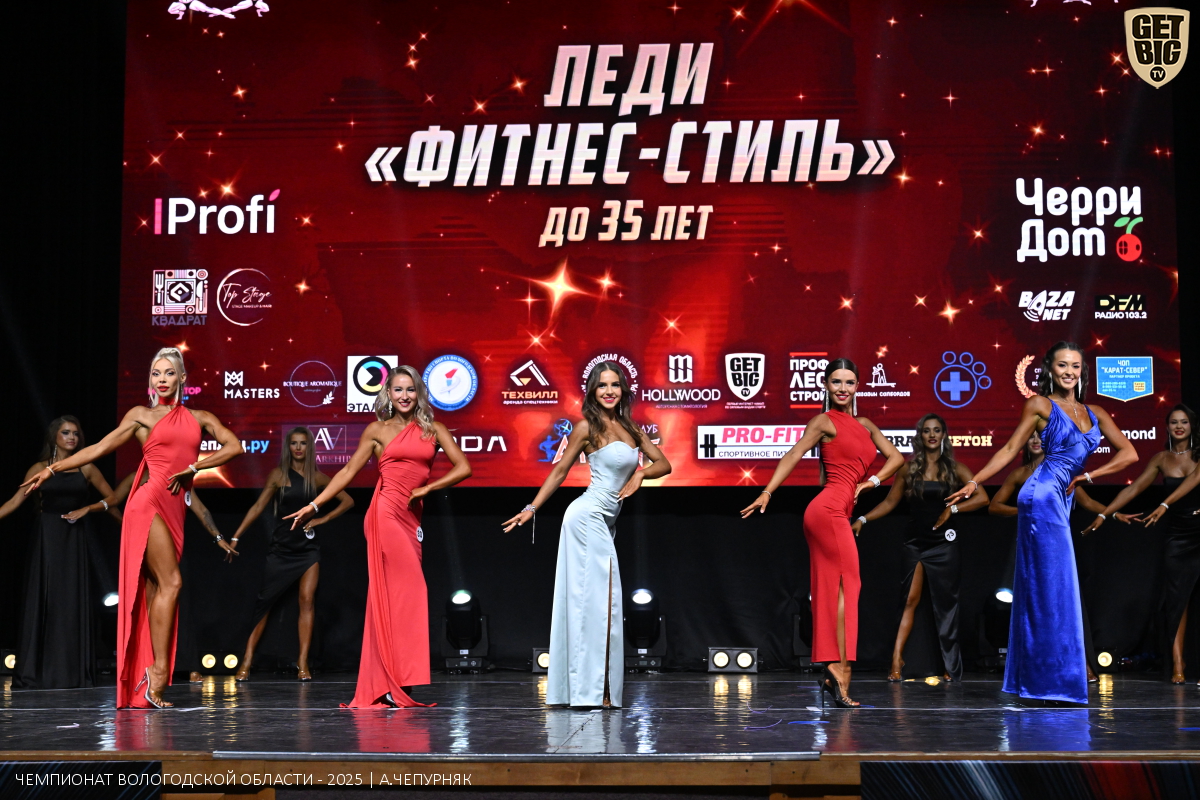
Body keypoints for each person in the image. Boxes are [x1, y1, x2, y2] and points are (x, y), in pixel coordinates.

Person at [20, 348, 243, 708]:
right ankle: (158, 671)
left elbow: (235, 446)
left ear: (182, 378)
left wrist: (195, 468)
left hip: (175, 510)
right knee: (172, 583)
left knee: (156, 591)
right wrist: (52, 469)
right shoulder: (141, 415)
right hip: (148, 501)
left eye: (168, 373)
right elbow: (101, 447)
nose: (161, 379)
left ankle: (147, 676)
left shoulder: (200, 417)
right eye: (156, 373)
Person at [946, 341, 1137, 705]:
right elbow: (1008, 449)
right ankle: (1051, 679)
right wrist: (975, 481)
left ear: (1082, 371)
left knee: (1057, 587)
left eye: (1075, 366)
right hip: (1042, 494)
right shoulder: (1039, 405)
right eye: (1063, 365)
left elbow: (1130, 454)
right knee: (1050, 587)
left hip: (1061, 497)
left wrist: (1088, 476)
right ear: (1050, 369)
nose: (1069, 372)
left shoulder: (1094, 412)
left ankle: (1047, 676)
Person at [288, 366, 471, 708]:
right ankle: (396, 679)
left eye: (410, 390)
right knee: (411, 590)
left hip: (411, 517)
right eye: (398, 390)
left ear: (419, 394)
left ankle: (395, 678)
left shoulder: (434, 430)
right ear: (388, 394)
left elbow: (464, 467)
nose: (404, 396)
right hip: (385, 513)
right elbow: (347, 471)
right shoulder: (377, 430)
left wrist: (428, 488)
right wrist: (314, 504)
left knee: (400, 597)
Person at [503, 361, 671, 709]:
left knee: (603, 606)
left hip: (605, 521)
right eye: (602, 385)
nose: (609, 391)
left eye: (615, 385)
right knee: (601, 604)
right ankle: (595, 690)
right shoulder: (586, 427)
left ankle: (596, 689)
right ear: (592, 391)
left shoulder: (630, 427)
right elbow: (559, 472)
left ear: (623, 390)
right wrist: (531, 508)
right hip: (586, 517)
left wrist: (640, 475)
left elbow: (664, 464)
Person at [741, 358, 904, 707]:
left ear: (857, 386)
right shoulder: (823, 421)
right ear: (826, 386)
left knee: (839, 590)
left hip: (838, 511)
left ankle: (835, 666)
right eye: (836, 382)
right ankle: (839, 667)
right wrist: (768, 491)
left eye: (849, 382)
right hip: (827, 511)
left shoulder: (865, 424)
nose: (843, 388)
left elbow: (896, 458)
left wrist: (870, 483)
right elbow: (794, 453)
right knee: (847, 586)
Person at [852, 414, 988, 683]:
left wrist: (953, 509)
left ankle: (949, 664)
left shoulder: (956, 468)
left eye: (937, 430)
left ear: (944, 435)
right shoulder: (908, 469)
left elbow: (983, 498)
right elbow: (889, 503)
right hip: (915, 543)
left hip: (944, 544)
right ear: (920, 436)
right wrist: (863, 519)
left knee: (946, 605)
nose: (932, 435)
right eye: (927, 431)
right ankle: (896, 659)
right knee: (909, 601)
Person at [1082, 404, 1200, 684]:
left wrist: (1164, 504)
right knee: (1177, 601)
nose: (1179, 427)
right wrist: (1104, 513)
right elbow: (1134, 488)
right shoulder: (1161, 459)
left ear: (1192, 426)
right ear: (1167, 427)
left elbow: (1195, 479)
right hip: (1178, 535)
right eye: (1174, 422)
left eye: (1184, 422)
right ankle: (1178, 663)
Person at [0, 417, 118, 689]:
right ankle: (40, 672)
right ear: (54, 436)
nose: (72, 437)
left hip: (74, 538)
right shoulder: (39, 468)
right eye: (66, 433)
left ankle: (70, 673)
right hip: (48, 537)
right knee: (47, 598)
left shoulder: (86, 467)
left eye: (75, 433)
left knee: (71, 602)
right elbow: (15, 501)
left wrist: (88, 509)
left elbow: (112, 498)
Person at [230, 427, 354, 681]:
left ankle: (302, 663)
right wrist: (236, 536)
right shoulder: (278, 475)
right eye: (294, 443)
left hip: (308, 550)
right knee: (264, 603)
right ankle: (247, 661)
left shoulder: (317, 478)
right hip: (281, 549)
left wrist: (321, 519)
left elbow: (348, 501)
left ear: (310, 448)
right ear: (288, 447)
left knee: (307, 602)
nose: (298, 448)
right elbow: (258, 506)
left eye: (303, 443)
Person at [990, 429, 1107, 683]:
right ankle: (1038, 668)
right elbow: (994, 506)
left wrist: (1114, 512)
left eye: (1040, 436)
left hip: (1057, 543)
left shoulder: (1062, 470)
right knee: (1035, 605)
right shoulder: (1019, 474)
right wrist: (1025, 511)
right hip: (1030, 543)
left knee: (1066, 602)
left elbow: (1087, 502)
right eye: (1031, 436)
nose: (1035, 440)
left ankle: (1083, 664)